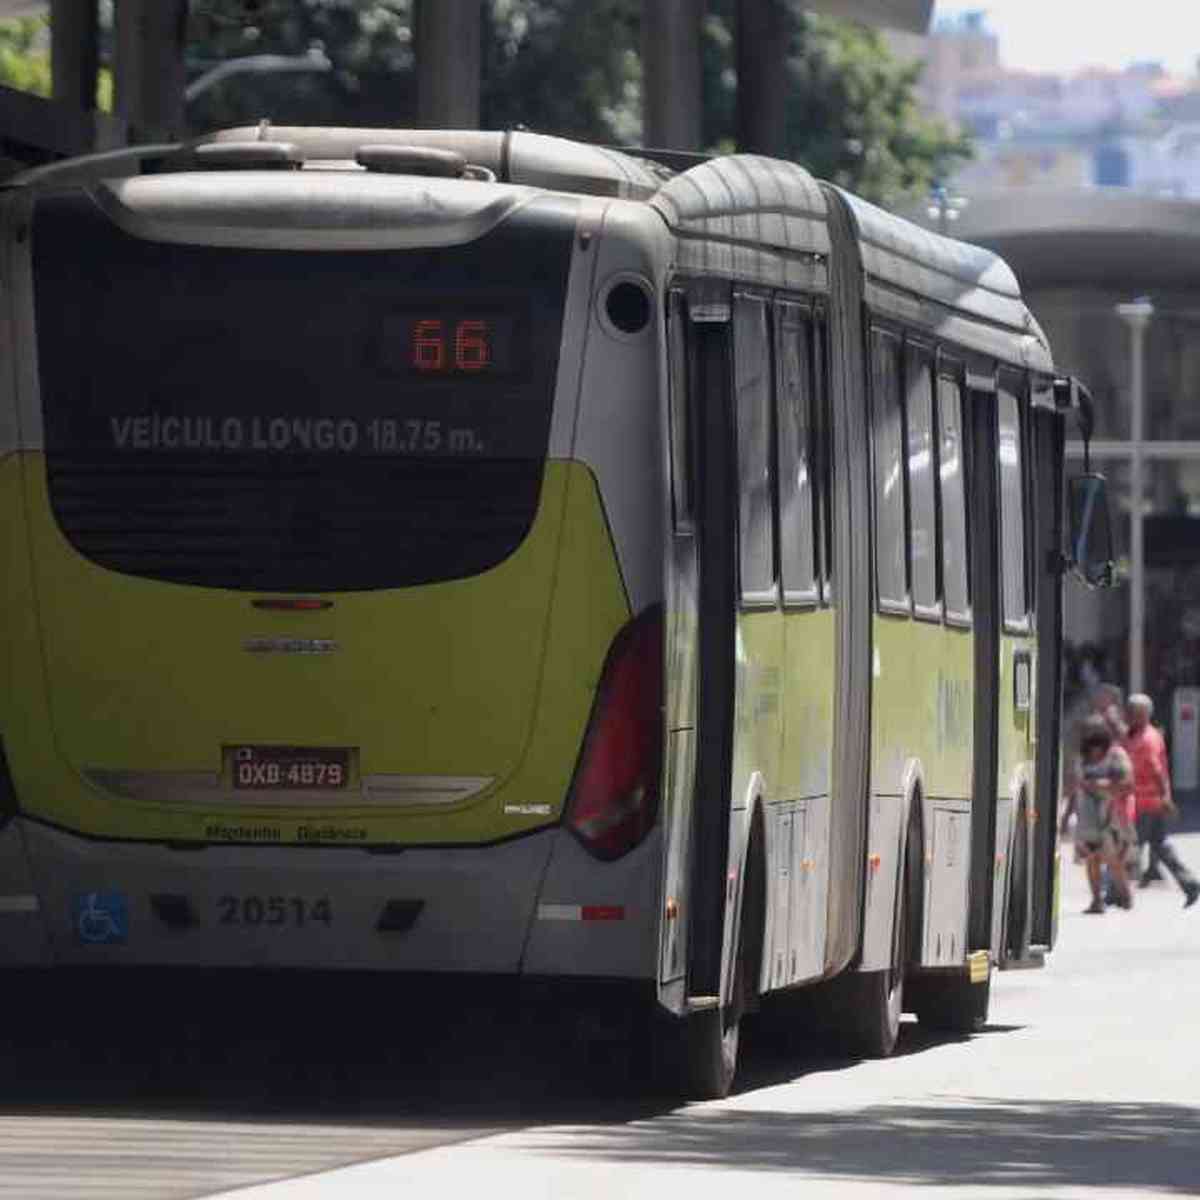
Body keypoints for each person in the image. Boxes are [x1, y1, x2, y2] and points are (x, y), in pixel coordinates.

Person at [1125, 693, 1200, 909]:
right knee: (1160, 846)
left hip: (1146, 803)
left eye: (1132, 711)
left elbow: (1156, 771)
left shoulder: (1146, 738)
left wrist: (1165, 798)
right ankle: (1190, 884)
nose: (1128, 715)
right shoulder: (1145, 734)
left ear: (1142, 714)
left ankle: (1117, 891)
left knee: (1132, 846)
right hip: (1149, 802)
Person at [1074, 714, 1135, 914]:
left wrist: (1101, 785)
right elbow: (1076, 787)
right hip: (1087, 818)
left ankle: (1125, 896)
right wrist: (1066, 817)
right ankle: (1096, 901)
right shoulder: (1082, 758)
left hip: (1111, 817)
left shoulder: (1116, 755)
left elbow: (1127, 783)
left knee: (1113, 860)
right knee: (1091, 859)